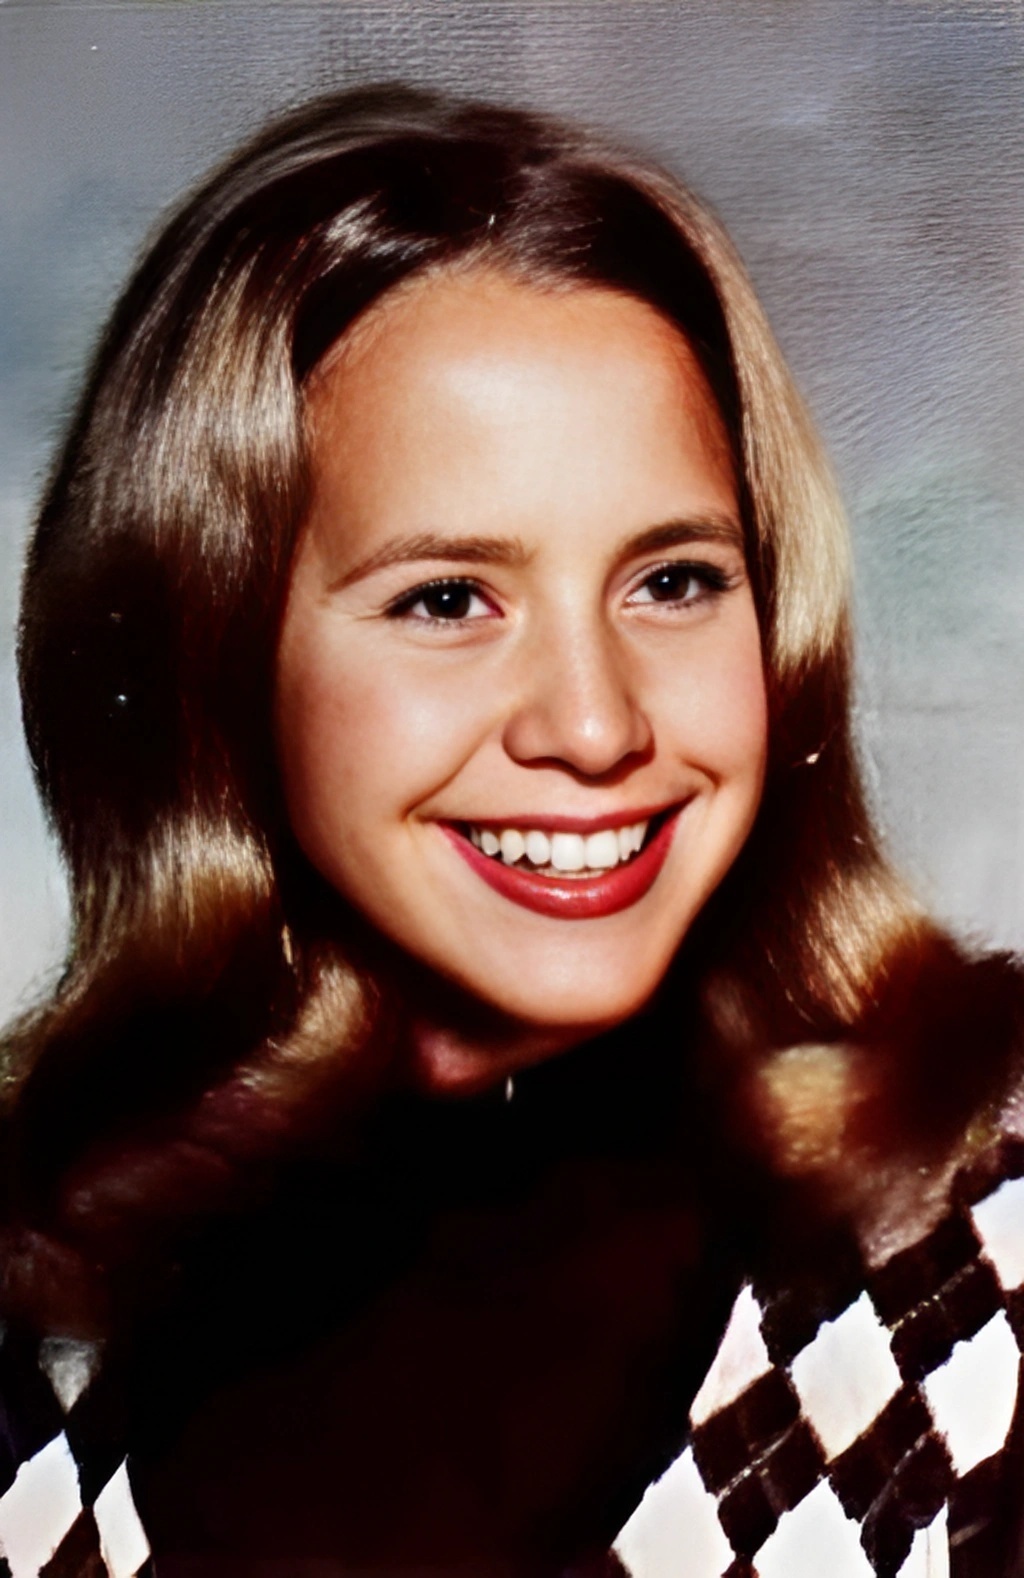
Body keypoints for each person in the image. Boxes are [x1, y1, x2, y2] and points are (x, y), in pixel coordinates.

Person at [2, 84, 1022, 1578]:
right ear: (213, 654)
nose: (596, 727)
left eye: (672, 581)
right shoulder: (39, 1325)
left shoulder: (984, 1261)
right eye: (447, 599)